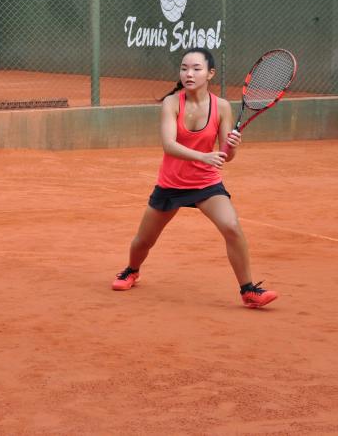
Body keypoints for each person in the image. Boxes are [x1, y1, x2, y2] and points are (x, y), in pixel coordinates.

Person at [112, 47, 278, 309]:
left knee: (232, 227)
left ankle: (249, 290)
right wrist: (203, 156)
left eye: (196, 69)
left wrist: (232, 145)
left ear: (210, 73)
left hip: (206, 184)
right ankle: (132, 270)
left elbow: (226, 156)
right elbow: (169, 145)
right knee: (143, 240)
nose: (189, 74)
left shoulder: (222, 107)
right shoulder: (171, 103)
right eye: (184, 68)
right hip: (171, 184)